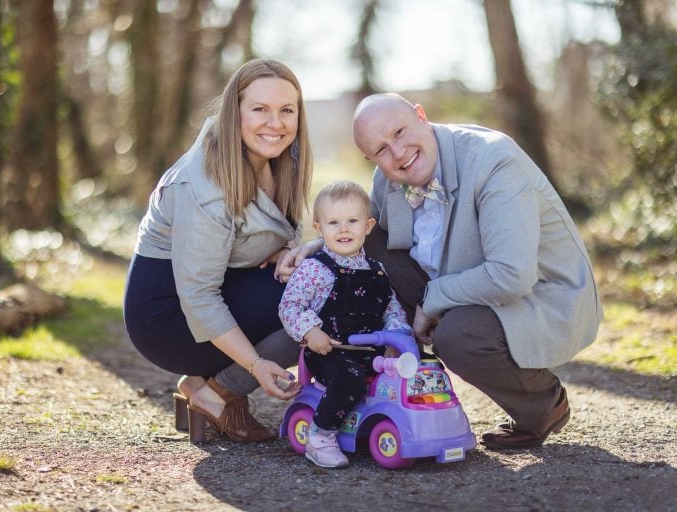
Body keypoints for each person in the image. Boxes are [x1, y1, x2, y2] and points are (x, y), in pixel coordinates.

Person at [280, 93, 603, 450]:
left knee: (457, 336)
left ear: (422, 115)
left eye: (400, 132)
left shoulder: (495, 161)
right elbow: (364, 232)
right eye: (381, 150)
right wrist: (316, 247)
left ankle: (543, 404)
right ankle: (374, 379)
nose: (398, 153)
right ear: (371, 158)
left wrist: (433, 300)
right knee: (365, 252)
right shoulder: (389, 178)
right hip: (455, 279)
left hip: (535, 295)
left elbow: (512, 274)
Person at [123, 59, 313, 443]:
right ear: (234, 112)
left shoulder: (279, 161)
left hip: (210, 292)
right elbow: (197, 294)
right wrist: (256, 366)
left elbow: (264, 232)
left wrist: (288, 249)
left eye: (286, 110)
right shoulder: (205, 184)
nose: (275, 123)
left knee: (318, 281)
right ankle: (218, 393)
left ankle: (203, 388)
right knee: (318, 302)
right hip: (168, 319)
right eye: (259, 109)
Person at [279, 180, 411, 467]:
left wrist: (397, 340)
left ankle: (409, 430)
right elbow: (290, 306)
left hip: (372, 353)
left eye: (352, 220)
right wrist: (310, 331)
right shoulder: (314, 269)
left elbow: (392, 309)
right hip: (330, 353)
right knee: (349, 379)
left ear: (368, 225)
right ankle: (320, 437)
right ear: (319, 228)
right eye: (334, 222)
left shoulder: (377, 270)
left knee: (416, 372)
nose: (343, 229)